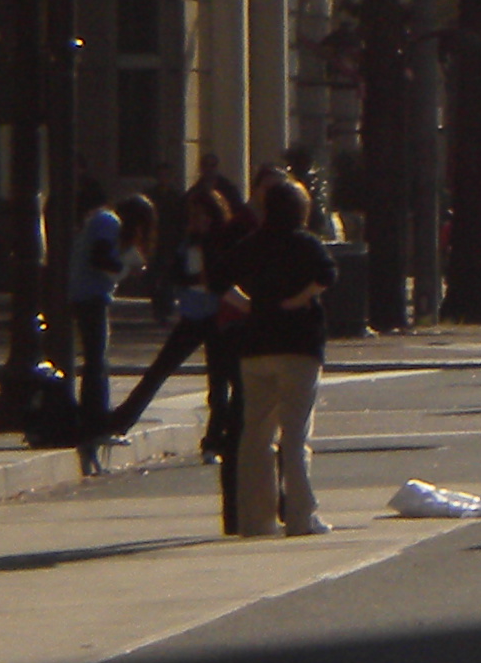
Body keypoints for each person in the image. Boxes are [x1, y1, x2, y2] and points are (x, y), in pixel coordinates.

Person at [223, 176, 336, 537]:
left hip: (255, 344)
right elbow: (326, 276)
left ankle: (256, 519)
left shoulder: (250, 245)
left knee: (255, 434)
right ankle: (302, 515)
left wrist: (250, 306)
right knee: (295, 434)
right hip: (299, 344)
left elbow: (217, 281)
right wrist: (298, 300)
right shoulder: (306, 244)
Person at [110, 174, 242, 441]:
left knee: (219, 381)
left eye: (204, 215)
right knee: (161, 368)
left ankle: (215, 438)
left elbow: (220, 278)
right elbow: (179, 275)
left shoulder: (223, 241)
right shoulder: (188, 242)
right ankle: (123, 418)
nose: (198, 220)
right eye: (194, 215)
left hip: (217, 316)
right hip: (194, 314)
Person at [63, 184, 154, 474]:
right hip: (90, 295)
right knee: (96, 362)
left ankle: (95, 420)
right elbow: (100, 258)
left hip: (90, 294)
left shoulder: (103, 221)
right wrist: (124, 265)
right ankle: (95, 421)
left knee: (97, 361)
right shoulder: (108, 222)